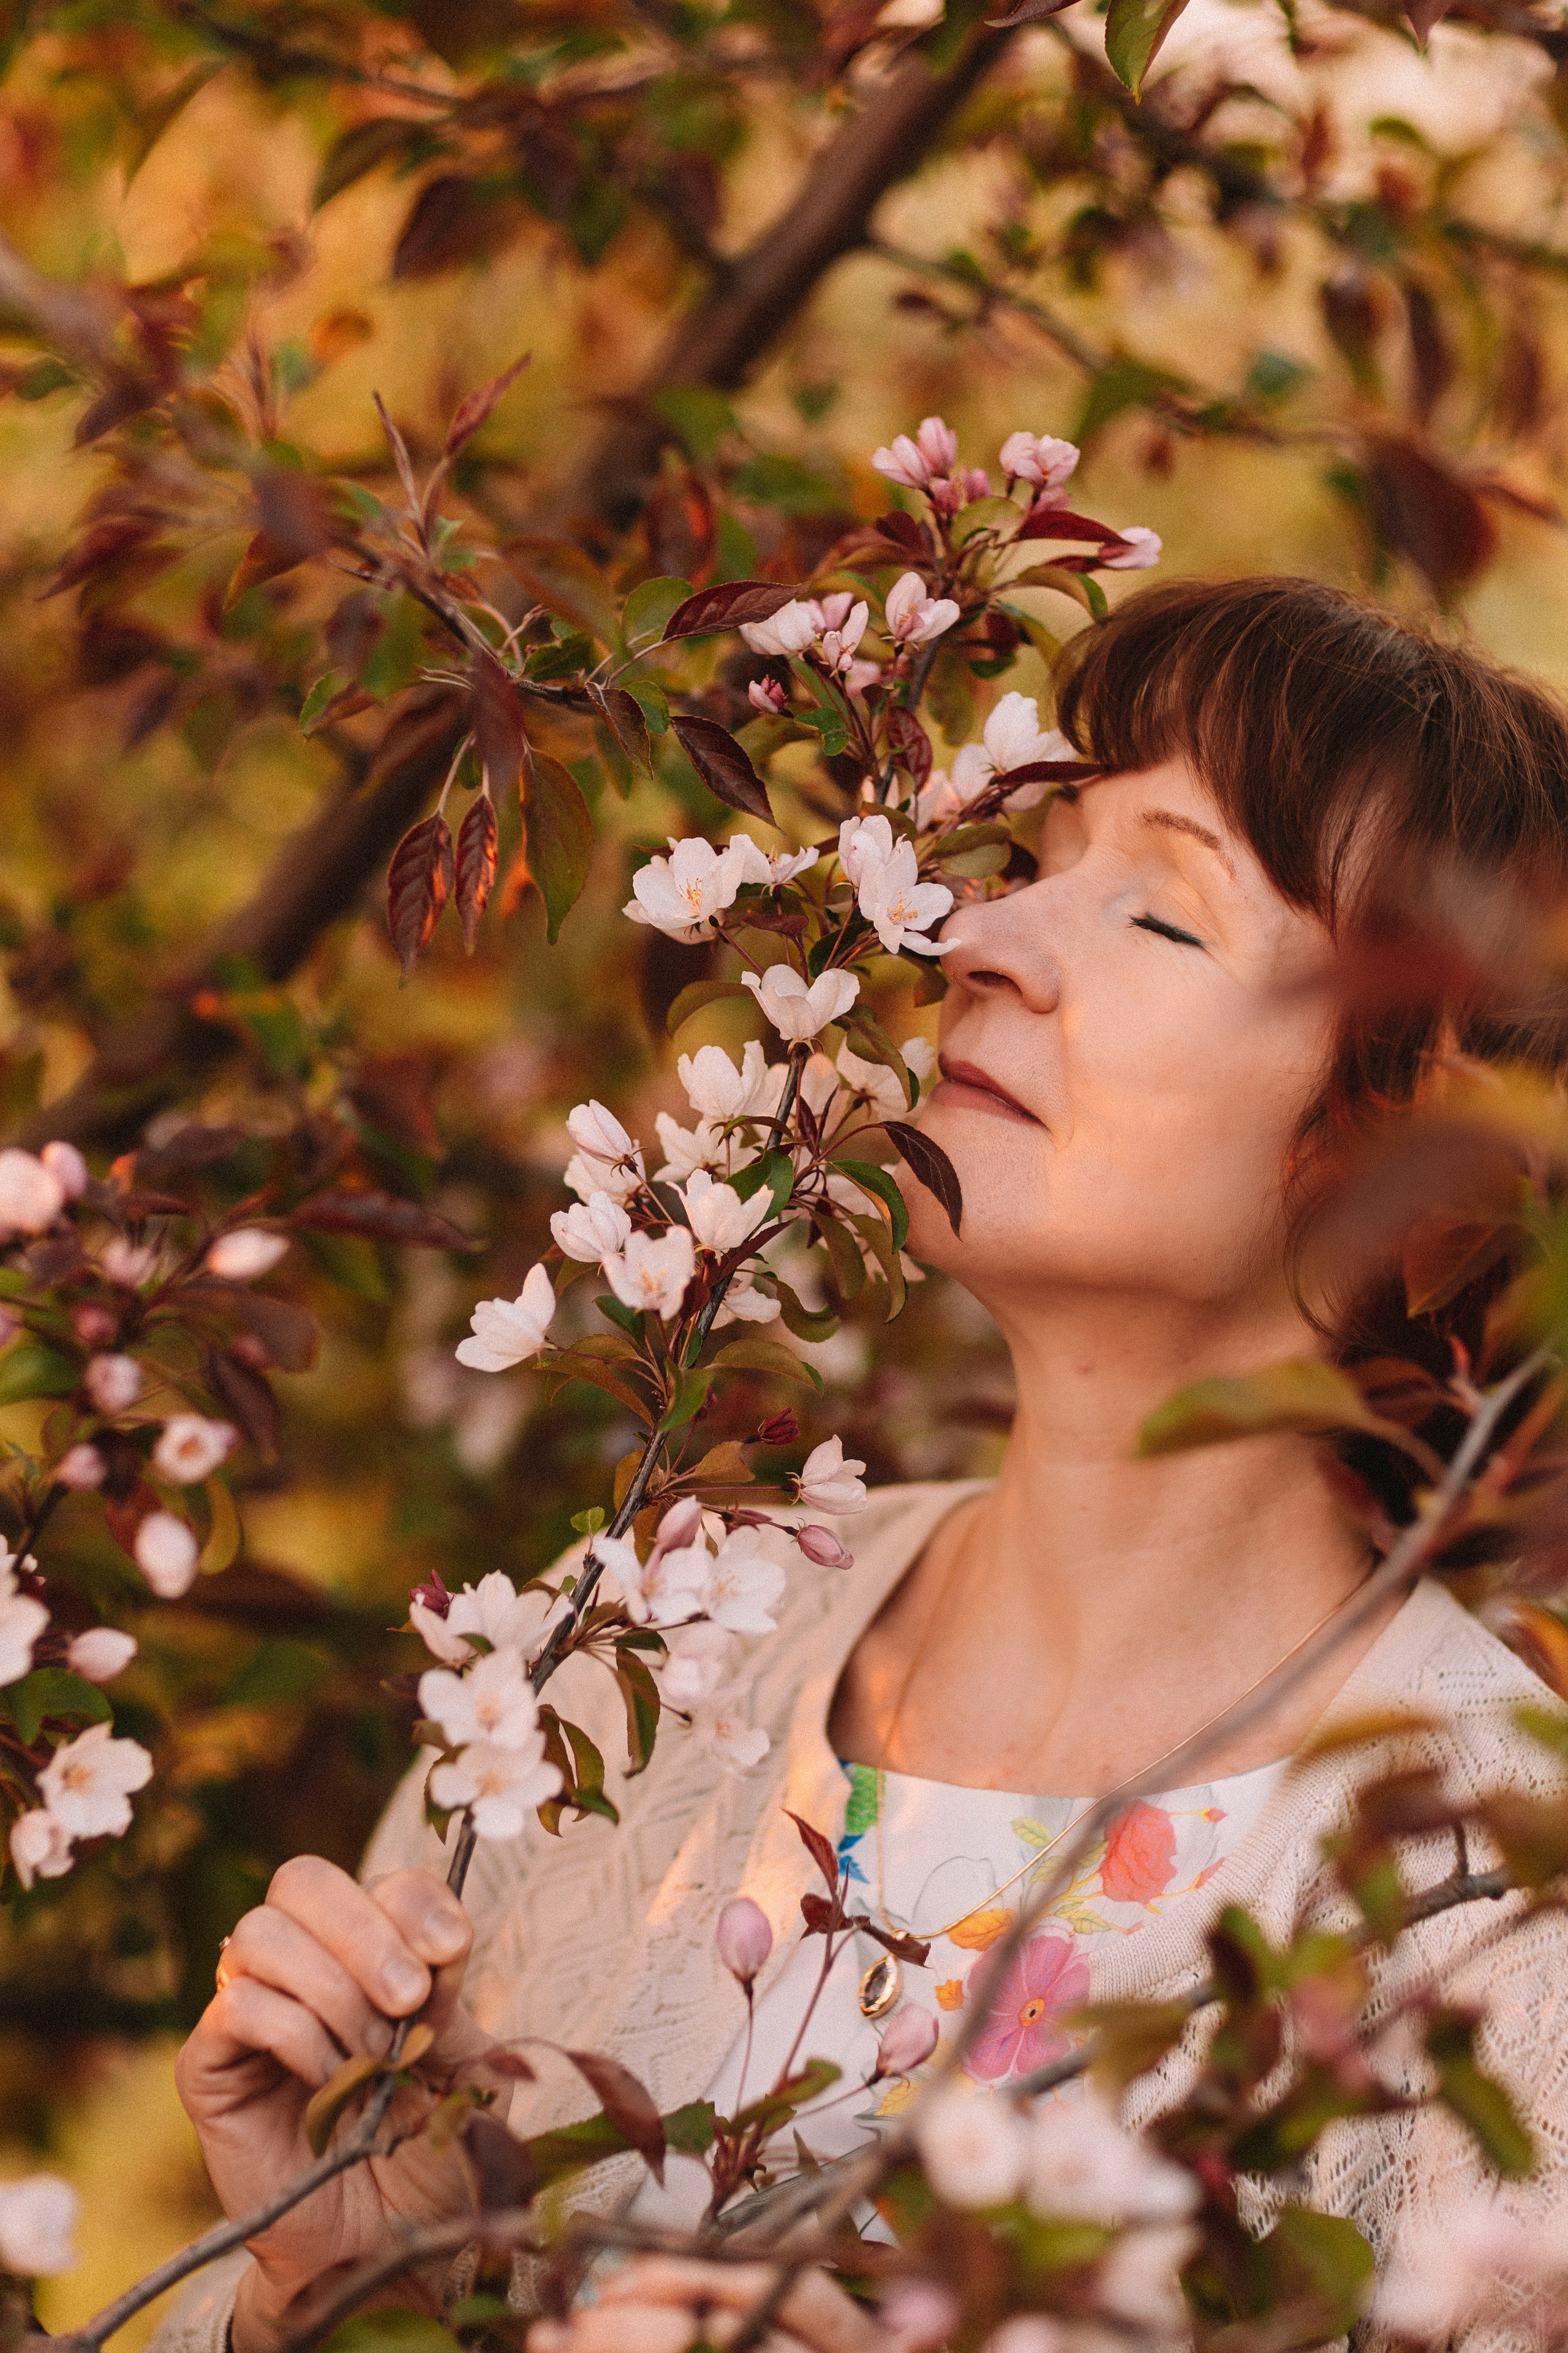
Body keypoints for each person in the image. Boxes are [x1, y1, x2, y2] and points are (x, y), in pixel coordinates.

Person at [158, 578, 1568, 2353]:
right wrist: (336, 2288)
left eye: (1160, 910)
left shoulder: (1501, 1928)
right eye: (1039, 853)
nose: (983, 934)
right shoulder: (664, 1653)